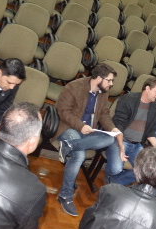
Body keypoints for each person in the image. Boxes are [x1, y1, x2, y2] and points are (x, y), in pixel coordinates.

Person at [53, 63, 125, 216]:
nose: (111, 84)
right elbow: (63, 111)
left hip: (89, 131)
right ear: (98, 78)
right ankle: (65, 195)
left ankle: (69, 146)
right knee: (79, 155)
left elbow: (103, 114)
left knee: (110, 139)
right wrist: (80, 126)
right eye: (109, 80)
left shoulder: (103, 91)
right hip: (68, 127)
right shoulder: (74, 87)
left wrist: (112, 128)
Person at [108, 76, 156, 185]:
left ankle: (112, 183)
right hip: (119, 140)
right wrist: (121, 146)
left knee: (146, 172)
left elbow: (151, 130)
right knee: (116, 169)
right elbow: (119, 124)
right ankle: (113, 183)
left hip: (137, 145)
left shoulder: (155, 108)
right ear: (147, 88)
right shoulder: (128, 99)